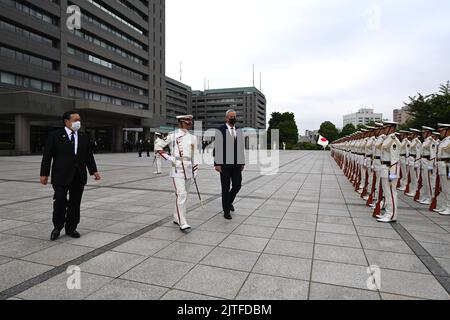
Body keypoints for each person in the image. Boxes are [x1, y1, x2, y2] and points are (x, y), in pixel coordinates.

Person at [40, 111, 101, 241]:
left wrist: (94, 171)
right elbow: (47, 156)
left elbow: (88, 156)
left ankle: (71, 228)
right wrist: (44, 174)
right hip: (60, 175)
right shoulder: (55, 136)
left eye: (79, 119)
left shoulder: (84, 136)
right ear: (66, 121)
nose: (78, 122)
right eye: (75, 120)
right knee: (60, 202)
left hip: (78, 176)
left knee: (75, 203)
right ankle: (57, 227)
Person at [155, 115, 199, 231]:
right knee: (181, 194)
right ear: (180, 122)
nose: (189, 123)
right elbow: (158, 145)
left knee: (183, 195)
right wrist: (169, 158)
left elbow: (195, 155)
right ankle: (183, 222)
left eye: (190, 121)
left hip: (189, 168)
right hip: (177, 168)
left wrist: (195, 170)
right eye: (187, 122)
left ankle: (176, 216)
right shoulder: (172, 135)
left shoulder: (193, 137)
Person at [214, 109, 245, 220]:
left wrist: (242, 162)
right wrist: (217, 164)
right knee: (225, 188)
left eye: (235, 116)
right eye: (231, 116)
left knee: (237, 185)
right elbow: (217, 148)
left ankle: (229, 202)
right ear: (227, 118)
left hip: (236, 165)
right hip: (224, 165)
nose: (233, 118)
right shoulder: (220, 130)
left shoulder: (239, 130)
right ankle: (226, 211)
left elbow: (241, 148)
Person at [376, 121, 400, 223]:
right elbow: (378, 146)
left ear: (391, 128)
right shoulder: (387, 139)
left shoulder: (393, 141)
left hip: (390, 170)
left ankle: (392, 215)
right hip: (385, 168)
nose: (384, 129)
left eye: (386, 127)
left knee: (391, 193)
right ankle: (388, 212)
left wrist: (392, 175)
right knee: (387, 193)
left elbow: (394, 160)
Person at [435, 123, 450, 215]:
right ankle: (444, 206)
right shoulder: (443, 141)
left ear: (448, 131)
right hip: (442, 165)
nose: (440, 133)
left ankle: (449, 207)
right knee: (444, 188)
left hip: (448, 166)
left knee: (448, 188)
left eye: (442, 131)